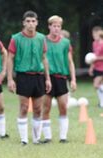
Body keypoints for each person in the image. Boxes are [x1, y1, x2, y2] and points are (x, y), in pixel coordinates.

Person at [7, 10, 52, 145]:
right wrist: (10, 79)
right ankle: (24, 139)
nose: (30, 24)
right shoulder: (16, 38)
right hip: (23, 76)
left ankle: (36, 139)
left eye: (33, 21)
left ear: (37, 23)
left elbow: (44, 58)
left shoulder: (41, 38)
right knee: (24, 107)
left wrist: (48, 78)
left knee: (38, 109)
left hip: (39, 76)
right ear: (23, 23)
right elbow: (10, 58)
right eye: (28, 21)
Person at [41, 15, 77, 143]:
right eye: (54, 26)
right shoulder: (43, 40)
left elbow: (70, 62)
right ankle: (47, 137)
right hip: (47, 78)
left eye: (58, 26)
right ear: (49, 26)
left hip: (61, 78)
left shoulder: (65, 43)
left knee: (63, 106)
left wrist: (73, 79)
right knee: (46, 108)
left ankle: (63, 137)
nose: (56, 28)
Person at [88, 26, 103, 108]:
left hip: (102, 67)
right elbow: (93, 56)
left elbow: (96, 57)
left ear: (99, 33)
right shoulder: (94, 43)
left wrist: (97, 58)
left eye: (94, 34)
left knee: (96, 85)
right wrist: (91, 67)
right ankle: (101, 103)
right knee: (100, 85)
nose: (93, 35)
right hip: (97, 67)